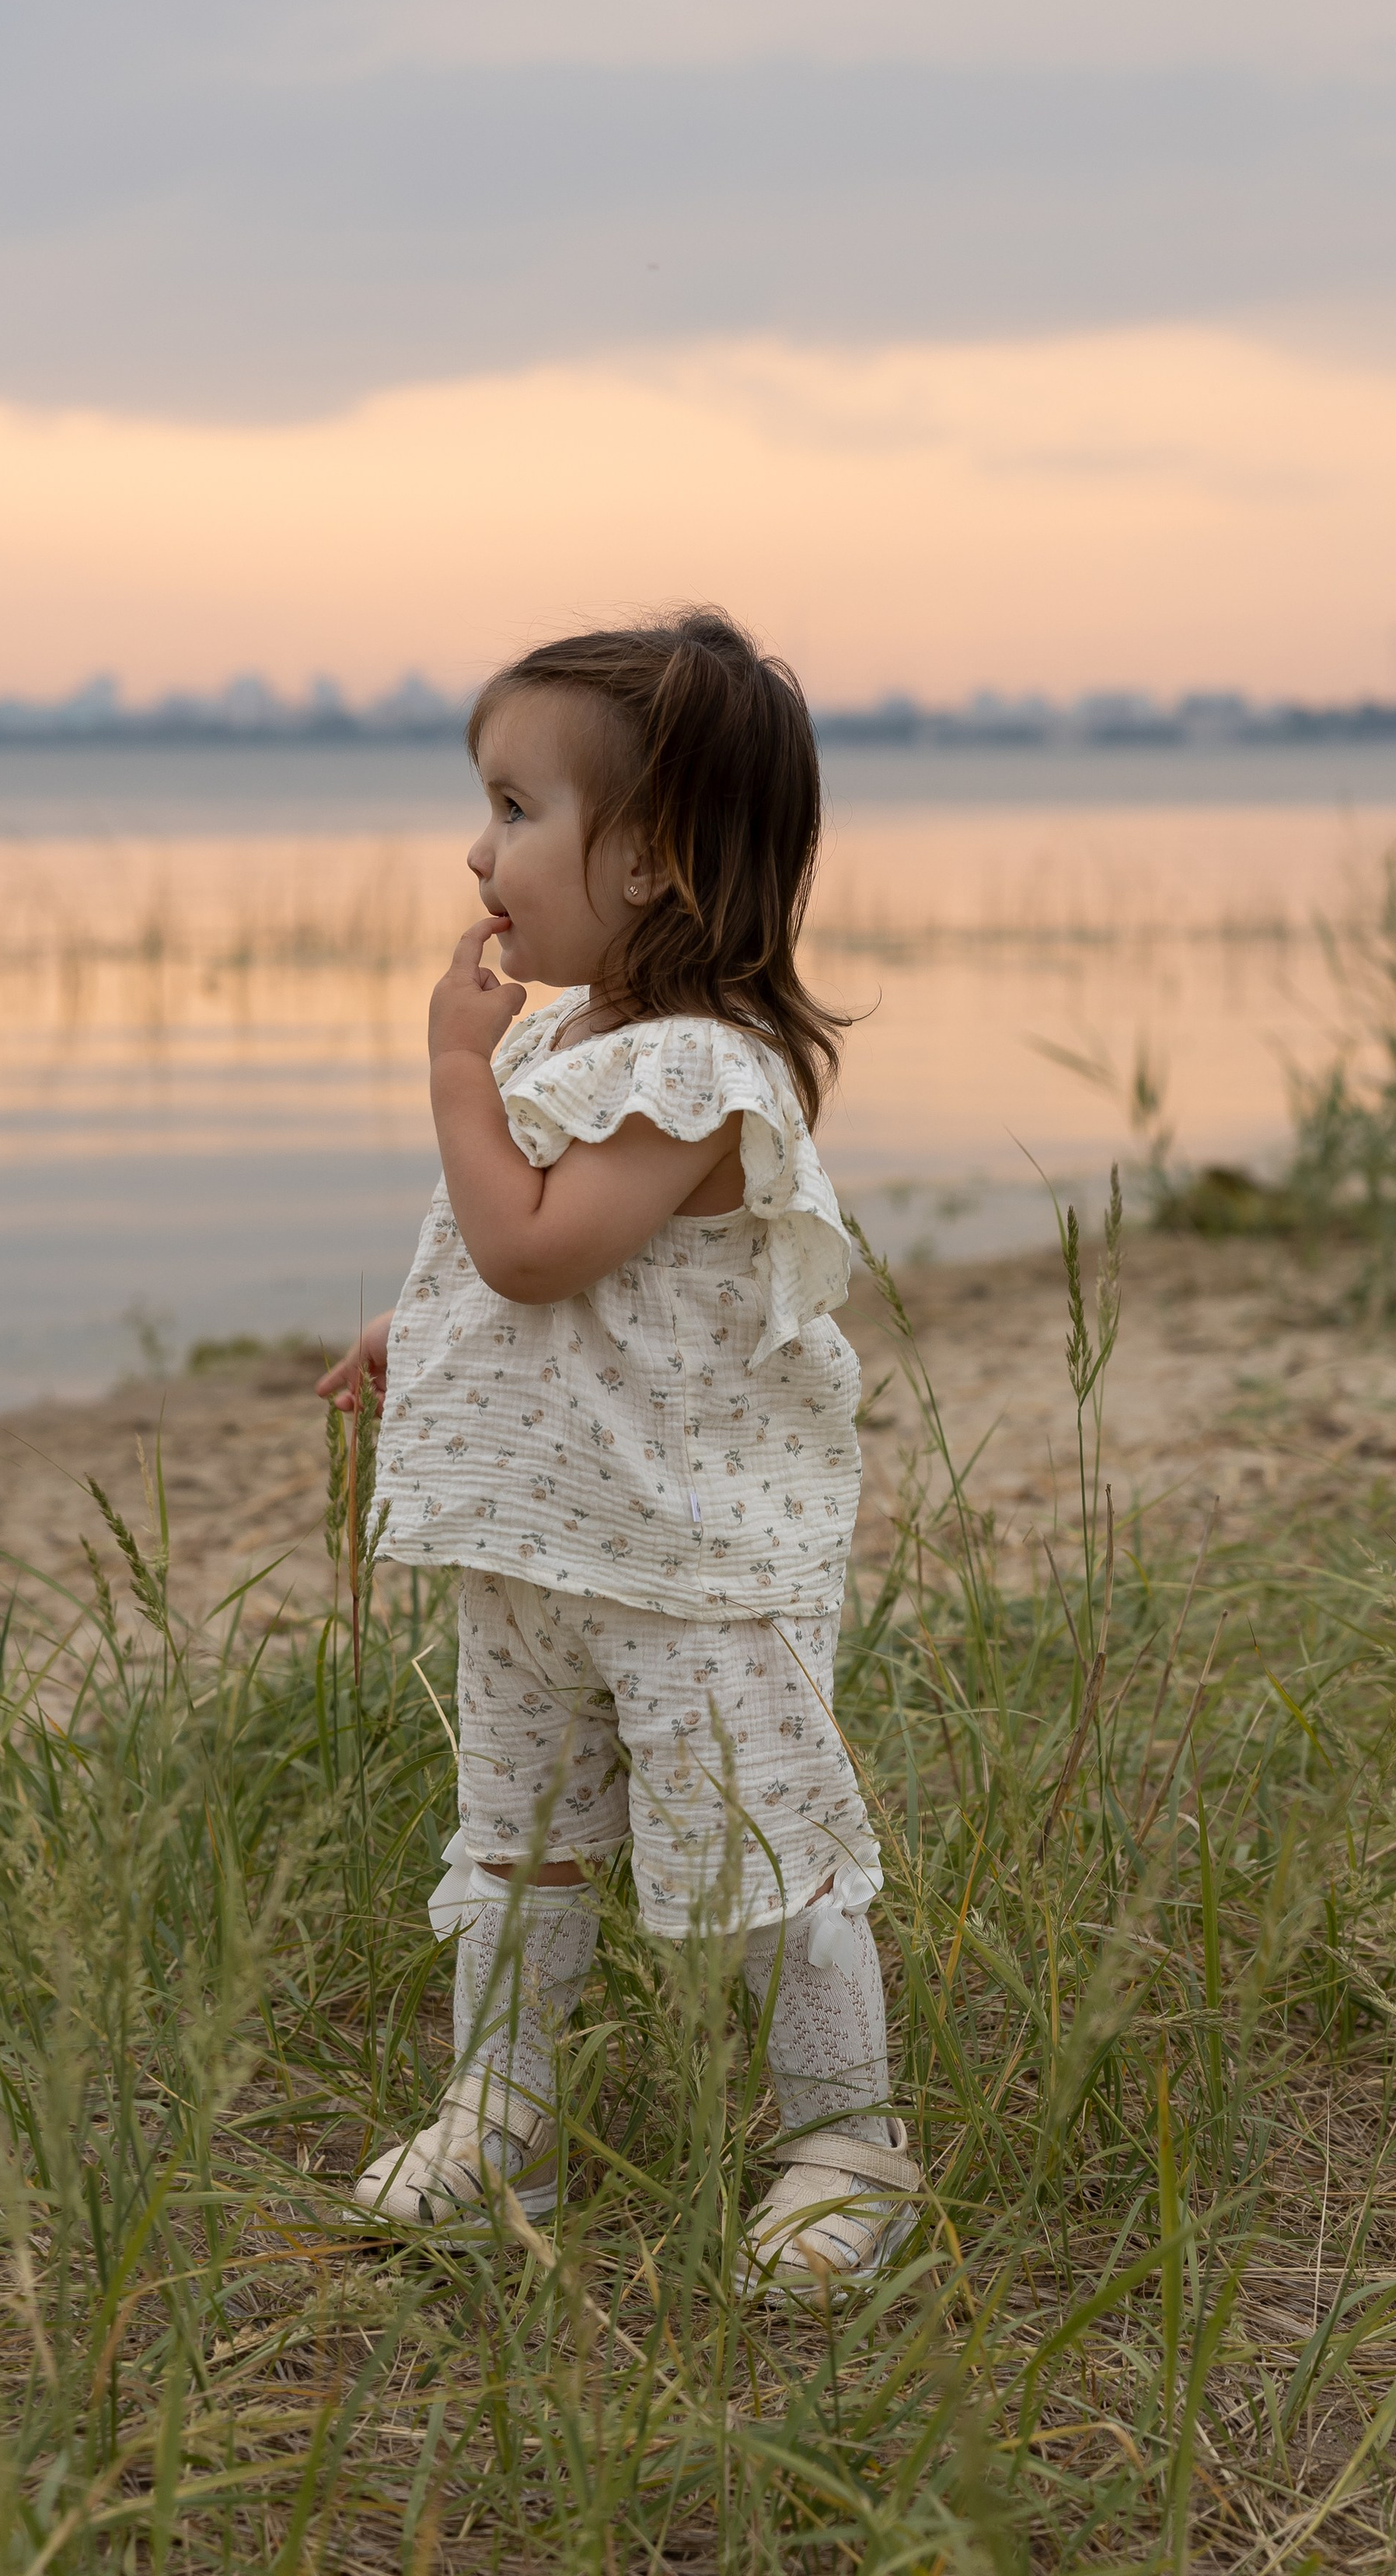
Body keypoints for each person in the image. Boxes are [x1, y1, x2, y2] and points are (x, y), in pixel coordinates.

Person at [316, 610, 917, 2302]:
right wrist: (408, 1333)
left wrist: (442, 1065)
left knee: (751, 1847)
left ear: (649, 856)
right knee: (517, 1832)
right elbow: (493, 1272)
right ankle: (498, 2102)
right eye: (482, 803)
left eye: (515, 806)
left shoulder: (692, 1070)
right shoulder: (562, 1038)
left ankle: (843, 2134)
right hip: (537, 1544)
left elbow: (534, 1244)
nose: (476, 847)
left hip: (681, 1560)